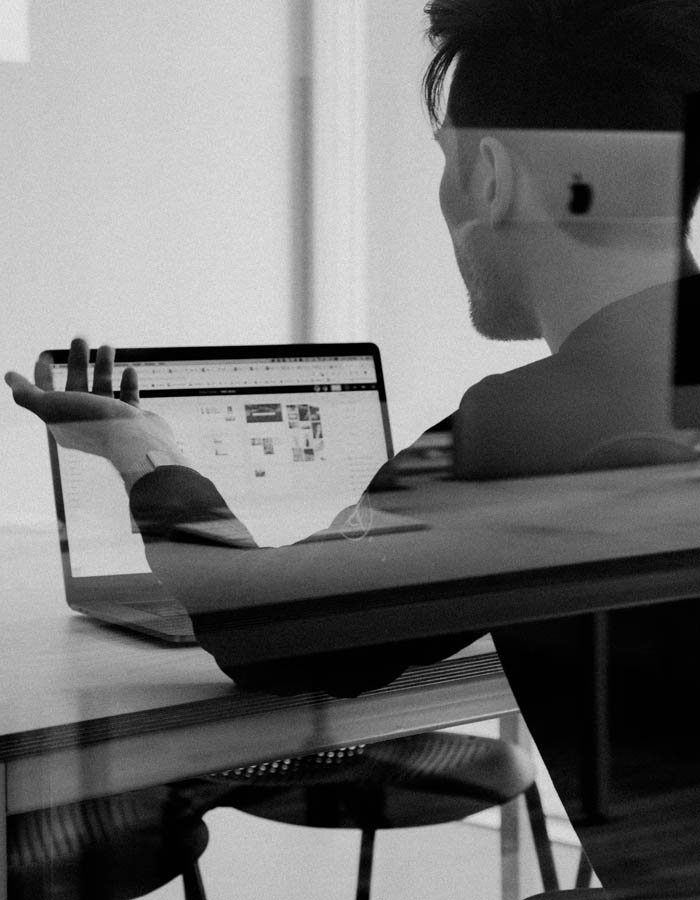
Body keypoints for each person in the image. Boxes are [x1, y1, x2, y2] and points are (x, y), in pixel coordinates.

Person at [6, 1, 700, 892]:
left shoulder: (532, 429)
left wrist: (143, 449)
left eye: (444, 160)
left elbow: (274, 629)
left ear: (491, 176)